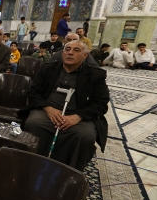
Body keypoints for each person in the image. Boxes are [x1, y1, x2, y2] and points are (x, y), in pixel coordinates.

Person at [21, 41, 109, 171]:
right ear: (62, 53)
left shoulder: (95, 74)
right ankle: (31, 165)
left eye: (76, 50)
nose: (70, 53)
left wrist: (78, 116)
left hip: (78, 116)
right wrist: (48, 108)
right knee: (34, 123)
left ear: (85, 55)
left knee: (85, 135)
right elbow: (33, 92)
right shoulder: (48, 69)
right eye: (67, 49)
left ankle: (69, 171)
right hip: (47, 112)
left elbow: (101, 103)